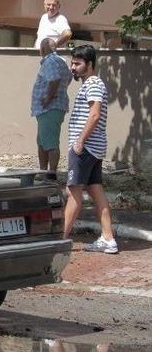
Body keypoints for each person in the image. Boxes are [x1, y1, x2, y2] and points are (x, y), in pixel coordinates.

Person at [62, 45, 117, 253]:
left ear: (90, 64)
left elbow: (94, 115)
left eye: (77, 63)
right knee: (96, 190)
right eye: (72, 63)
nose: (73, 67)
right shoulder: (92, 84)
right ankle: (108, 238)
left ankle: (59, 240)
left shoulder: (93, 84)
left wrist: (80, 141)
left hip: (85, 148)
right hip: (94, 148)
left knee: (73, 193)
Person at [31, 38, 72, 174]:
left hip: (50, 108)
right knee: (43, 141)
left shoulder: (50, 61)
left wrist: (49, 98)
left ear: (42, 50)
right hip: (49, 109)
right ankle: (44, 172)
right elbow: (68, 78)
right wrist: (59, 92)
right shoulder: (61, 61)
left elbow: (55, 79)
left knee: (50, 143)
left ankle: (50, 174)